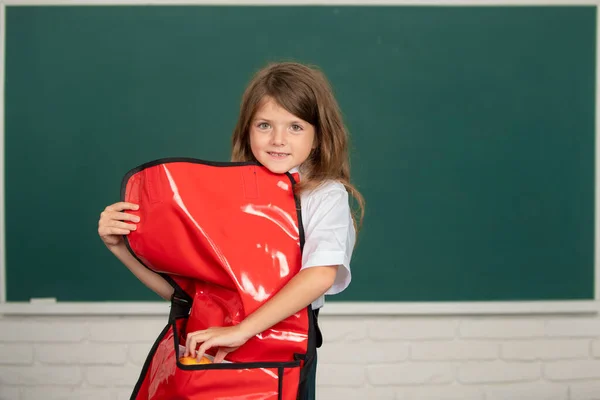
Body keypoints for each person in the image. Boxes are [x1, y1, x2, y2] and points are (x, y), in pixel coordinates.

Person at [97, 61, 364, 399]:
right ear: (247, 131)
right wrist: (120, 247)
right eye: (265, 125)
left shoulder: (324, 194)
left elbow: (321, 274)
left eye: (295, 127)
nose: (278, 140)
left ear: (318, 137)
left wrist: (242, 330)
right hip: (215, 349)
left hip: (280, 354)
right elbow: (188, 294)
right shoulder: (230, 195)